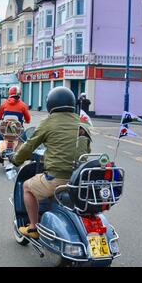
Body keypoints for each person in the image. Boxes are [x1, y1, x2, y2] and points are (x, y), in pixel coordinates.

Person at [10, 87, 91, 239]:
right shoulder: (82, 123)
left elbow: (29, 145)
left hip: (57, 179)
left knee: (27, 187)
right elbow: (85, 150)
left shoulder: (48, 122)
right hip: (79, 179)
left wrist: (16, 159)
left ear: (50, 105)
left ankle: (33, 228)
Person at [0, 86, 31, 164]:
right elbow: (28, 120)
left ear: (10, 93)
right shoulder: (23, 105)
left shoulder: (4, 104)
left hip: (5, 131)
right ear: (19, 94)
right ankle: (30, 159)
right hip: (18, 132)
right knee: (27, 142)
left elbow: (0, 117)